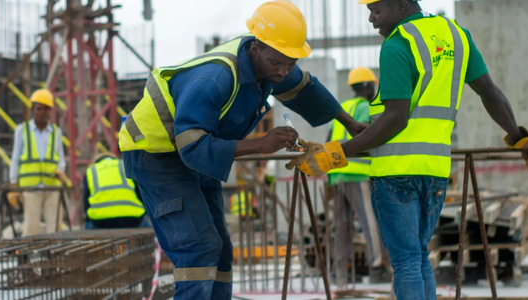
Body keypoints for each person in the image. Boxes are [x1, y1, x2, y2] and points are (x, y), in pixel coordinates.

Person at [289, 1, 528, 299]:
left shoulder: (397, 44)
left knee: (407, 263)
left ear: (400, 4)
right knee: (419, 256)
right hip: (436, 171)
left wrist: (335, 153)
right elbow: (490, 92)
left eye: (376, 9)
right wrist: (517, 137)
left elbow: (395, 120)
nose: (372, 19)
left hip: (396, 173)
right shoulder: (457, 35)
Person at [117, 1, 359, 298]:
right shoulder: (213, 79)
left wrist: (351, 124)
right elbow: (192, 147)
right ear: (255, 48)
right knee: (199, 247)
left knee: (220, 249)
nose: (283, 72)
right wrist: (261, 144)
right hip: (156, 154)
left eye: (291, 63)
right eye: (277, 64)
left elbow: (305, 88)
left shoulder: (272, 61)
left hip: (199, 147)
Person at [326, 67, 388, 283]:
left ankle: (341, 271)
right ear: (369, 86)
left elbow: (328, 138)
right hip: (357, 173)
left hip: (337, 175)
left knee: (342, 225)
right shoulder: (366, 108)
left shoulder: (342, 108)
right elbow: (374, 135)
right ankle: (376, 268)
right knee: (369, 220)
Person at [8, 89, 69, 237]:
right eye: (39, 108)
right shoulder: (22, 130)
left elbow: (60, 157)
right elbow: (15, 158)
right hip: (31, 187)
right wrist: (13, 184)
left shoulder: (56, 132)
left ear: (50, 111)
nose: (42, 112)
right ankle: (27, 258)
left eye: (46, 109)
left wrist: (60, 170)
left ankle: (55, 257)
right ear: (33, 110)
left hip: (52, 187)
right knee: (31, 228)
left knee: (54, 228)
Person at [83, 152, 149, 229]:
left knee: (88, 224)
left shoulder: (91, 171)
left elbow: (86, 203)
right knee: (148, 226)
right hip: (132, 219)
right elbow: (141, 194)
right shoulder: (124, 165)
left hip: (101, 221)